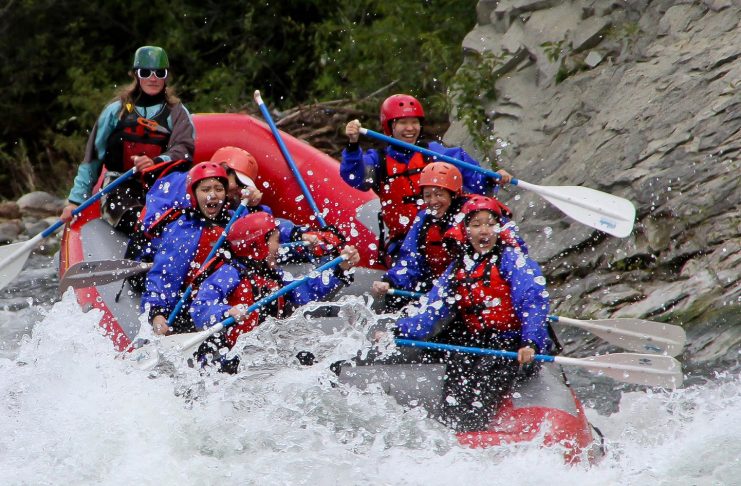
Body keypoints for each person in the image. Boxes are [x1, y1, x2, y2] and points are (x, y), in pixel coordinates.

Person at [371, 195, 552, 432]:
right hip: (476, 343)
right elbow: (431, 312)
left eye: (489, 224)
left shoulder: (512, 260)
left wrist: (530, 342)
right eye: (476, 225)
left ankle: (474, 433)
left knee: (478, 398)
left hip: (510, 345)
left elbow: (533, 301)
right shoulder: (458, 268)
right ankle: (454, 435)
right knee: (454, 394)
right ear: (466, 230)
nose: (483, 231)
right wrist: (396, 331)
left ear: (499, 228)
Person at [340, 94, 513, 263]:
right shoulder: (379, 161)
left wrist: (493, 179)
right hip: (405, 243)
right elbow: (354, 177)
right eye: (403, 122)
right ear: (390, 127)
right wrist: (353, 144)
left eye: (414, 122)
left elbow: (477, 182)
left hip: (446, 236)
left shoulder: (436, 153)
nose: (410, 128)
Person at [189, 211, 360, 369]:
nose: (279, 248)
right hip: (229, 355)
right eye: (276, 241)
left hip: (262, 354)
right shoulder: (229, 272)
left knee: (309, 358)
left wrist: (341, 268)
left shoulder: (275, 277)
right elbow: (200, 307)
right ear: (258, 245)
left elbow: (308, 292)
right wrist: (227, 312)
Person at [60, 45, 195, 235]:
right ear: (136, 75)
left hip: (162, 185)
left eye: (159, 72)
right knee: (139, 220)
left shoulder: (178, 113)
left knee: (172, 221)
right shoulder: (116, 111)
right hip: (120, 185)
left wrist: (155, 162)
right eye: (146, 72)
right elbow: (92, 158)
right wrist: (75, 201)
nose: (153, 78)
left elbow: (184, 149)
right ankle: (143, 243)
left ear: (166, 76)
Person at [372, 162, 522, 310]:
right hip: (439, 289)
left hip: (476, 287)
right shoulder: (424, 219)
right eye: (427, 195)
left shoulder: (474, 214)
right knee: (395, 301)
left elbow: (513, 248)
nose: (433, 201)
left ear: (453, 194)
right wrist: (391, 282)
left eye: (439, 194)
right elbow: (410, 260)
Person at [142, 162, 232, 336]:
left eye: (218, 189)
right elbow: (164, 274)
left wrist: (296, 232)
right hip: (191, 308)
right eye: (205, 190)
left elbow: (269, 229)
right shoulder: (183, 230)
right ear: (194, 194)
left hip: (228, 304)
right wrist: (157, 313)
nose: (212, 195)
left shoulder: (236, 220)